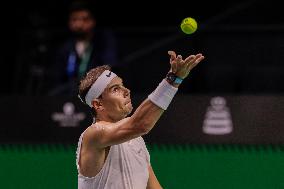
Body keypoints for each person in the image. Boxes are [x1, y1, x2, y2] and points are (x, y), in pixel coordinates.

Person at [76, 50, 205, 189]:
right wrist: (173, 79)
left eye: (122, 85)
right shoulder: (94, 134)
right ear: (98, 104)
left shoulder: (136, 140)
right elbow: (140, 125)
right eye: (115, 89)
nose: (126, 91)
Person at [49, 0, 118, 95]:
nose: (79, 25)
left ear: (93, 21)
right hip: (68, 97)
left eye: (84, 20)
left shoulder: (104, 43)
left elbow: (109, 69)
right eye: (75, 20)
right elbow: (57, 78)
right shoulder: (65, 48)